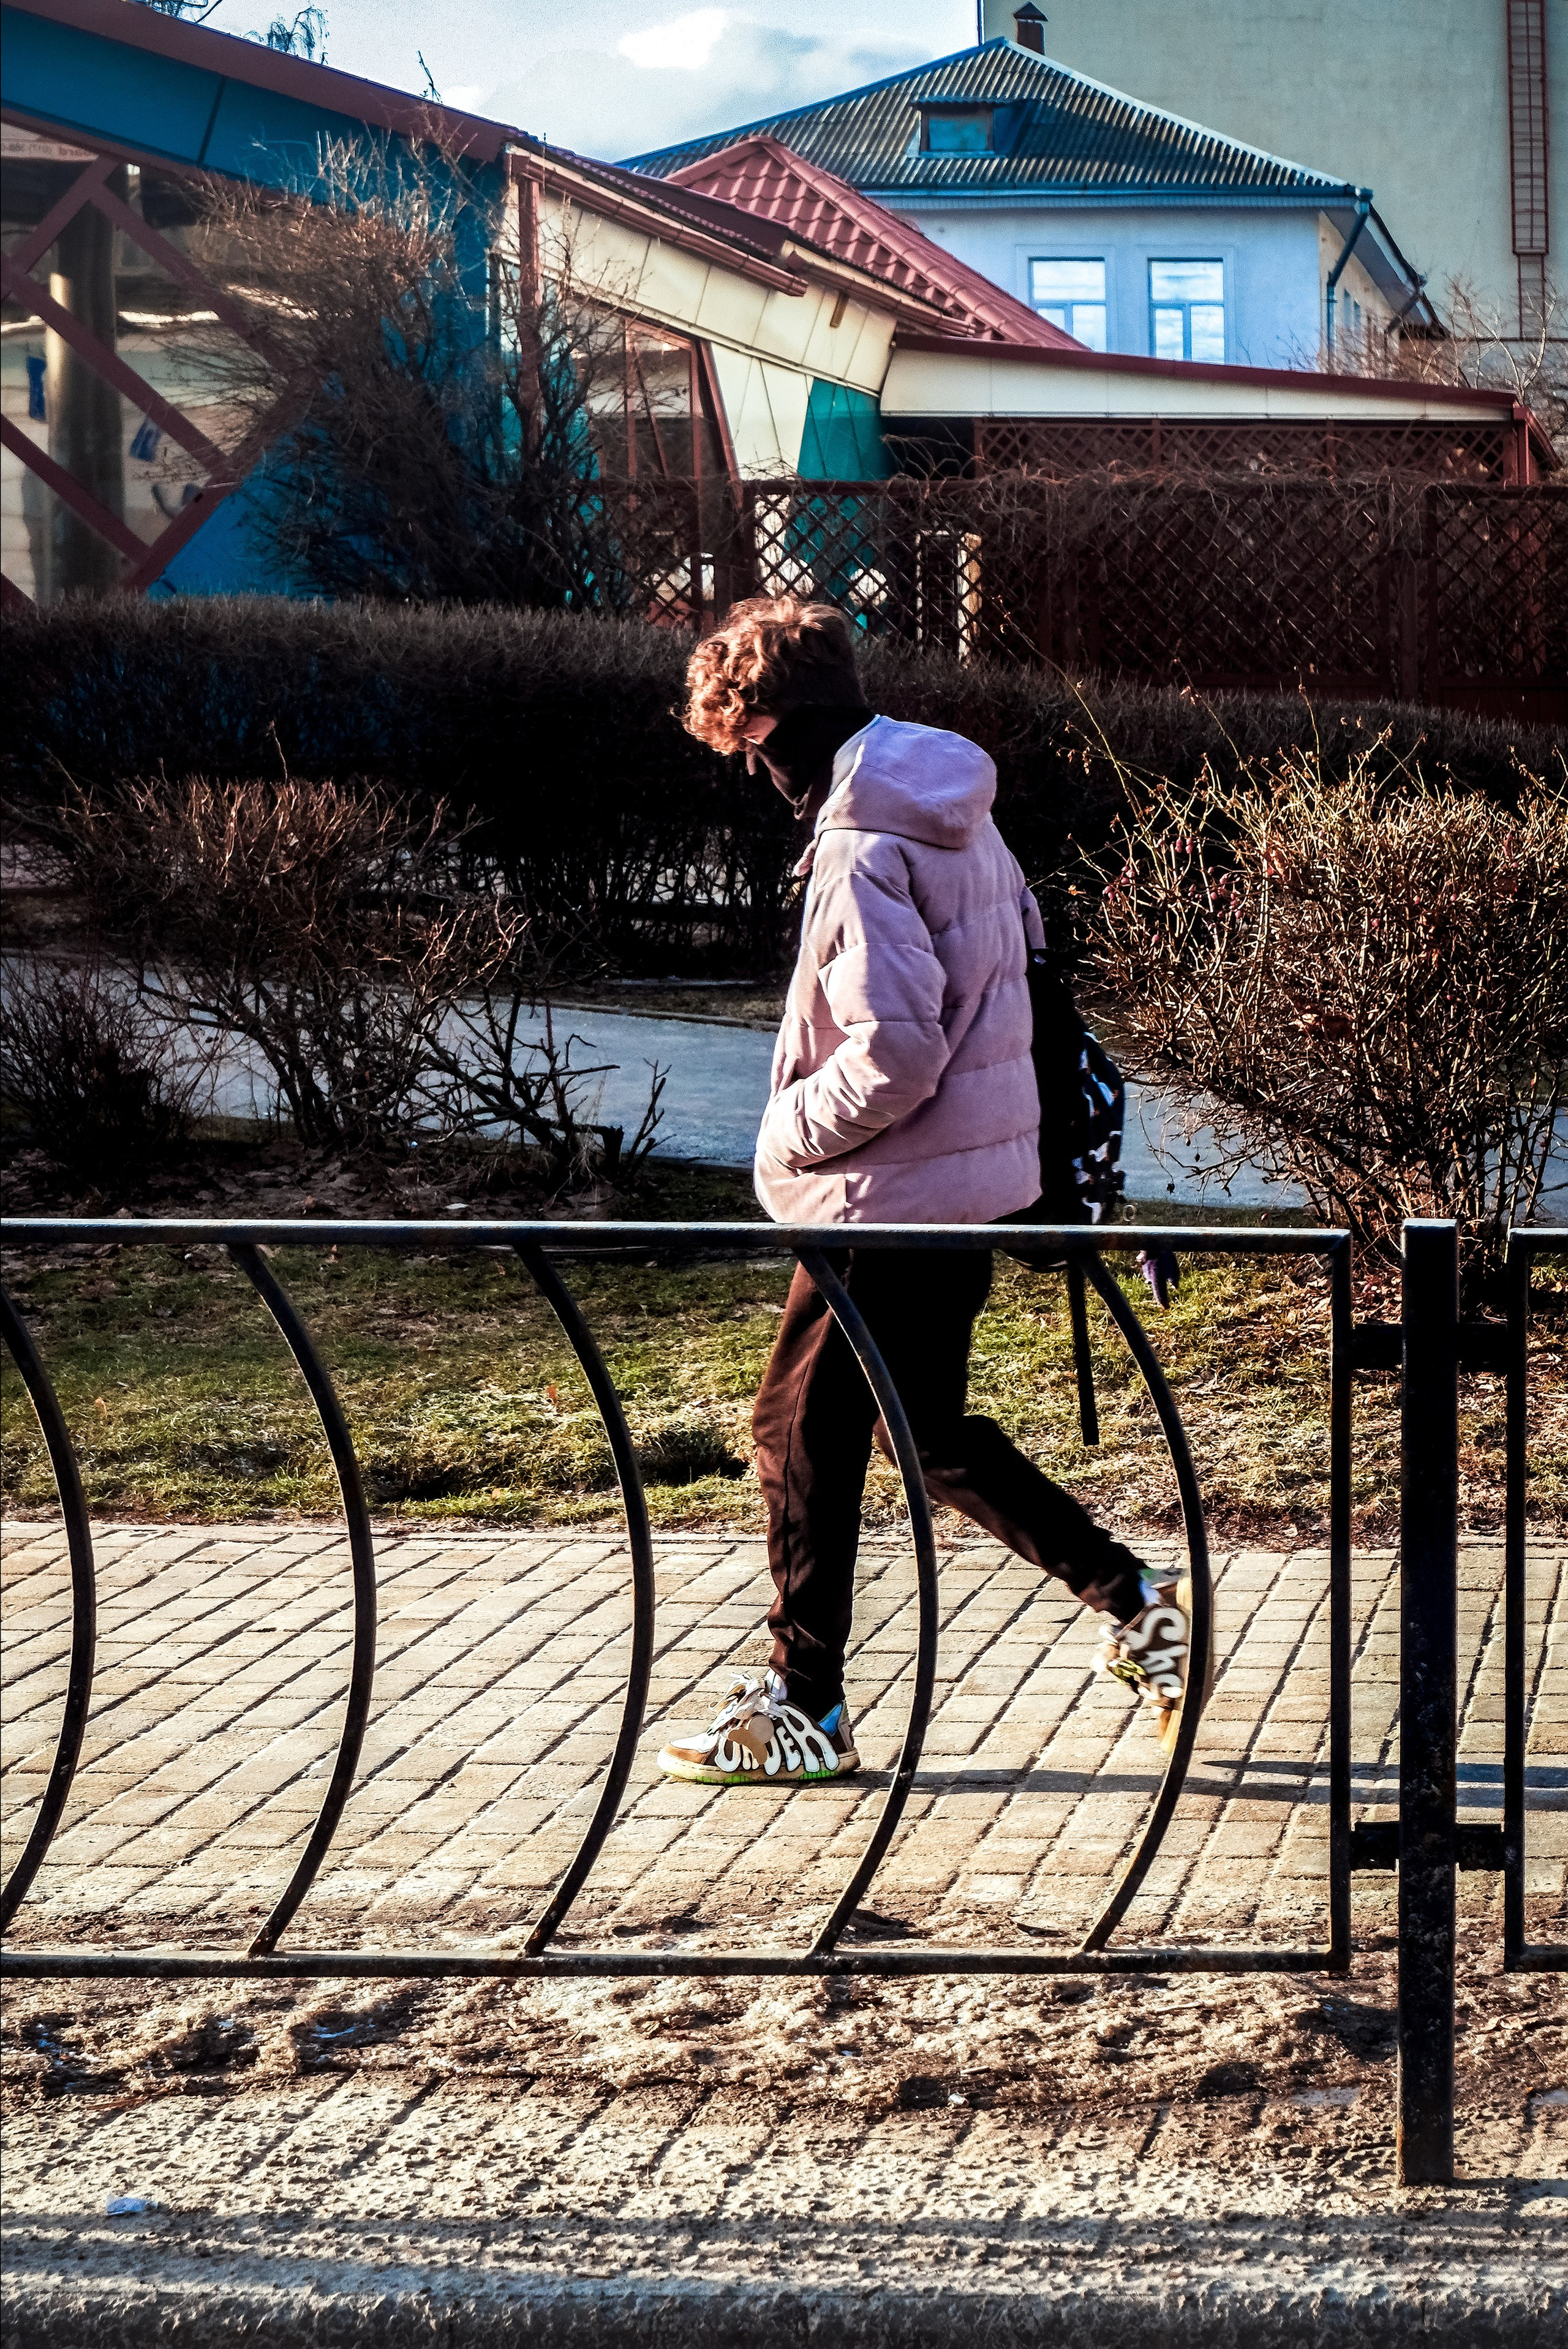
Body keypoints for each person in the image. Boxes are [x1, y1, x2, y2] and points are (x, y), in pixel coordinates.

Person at [656, 597, 1207, 1787]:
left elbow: (895, 1051)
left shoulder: (864, 845)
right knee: (923, 1432)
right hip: (968, 1185)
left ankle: (803, 1703)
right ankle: (1140, 1604)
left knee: (793, 1430)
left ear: (770, 724)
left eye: (746, 744)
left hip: (886, 1194)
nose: (752, 773)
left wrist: (784, 1132)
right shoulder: (950, 807)